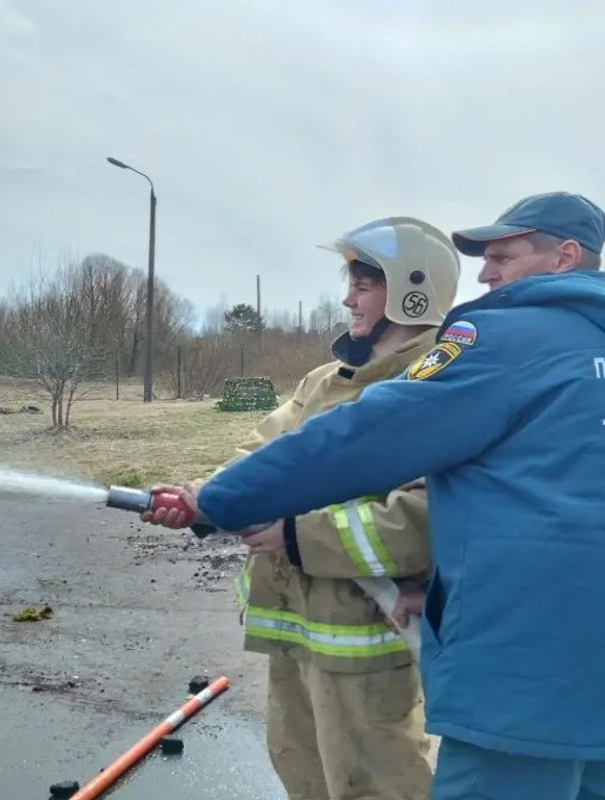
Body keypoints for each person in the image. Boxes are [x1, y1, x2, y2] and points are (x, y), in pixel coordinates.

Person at [172, 192, 605, 800]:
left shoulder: (506, 338)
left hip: (527, 650)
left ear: (563, 256)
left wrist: (222, 500)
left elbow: (366, 434)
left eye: (503, 256)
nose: (485, 273)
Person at [143, 216, 462, 800]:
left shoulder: (434, 388)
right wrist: (202, 501)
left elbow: (427, 518)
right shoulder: (324, 381)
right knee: (302, 772)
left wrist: (297, 537)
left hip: (363, 640)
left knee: (375, 784)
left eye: (364, 284)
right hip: (294, 629)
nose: (347, 298)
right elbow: (260, 458)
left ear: (413, 289)